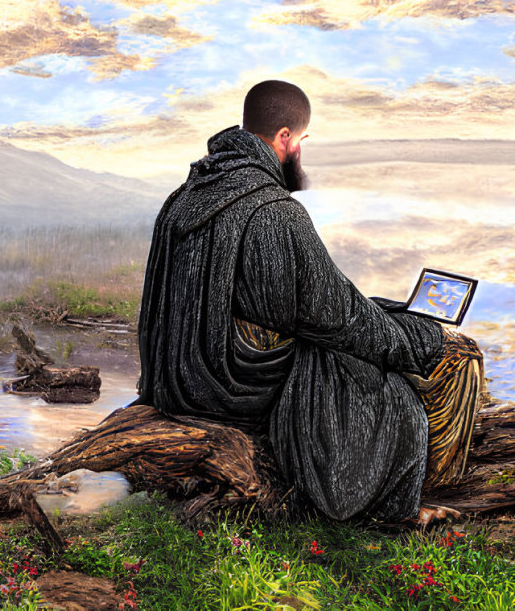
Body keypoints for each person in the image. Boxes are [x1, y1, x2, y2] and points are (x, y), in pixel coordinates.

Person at [134, 80, 483, 524]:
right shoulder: (275, 211)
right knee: (391, 394)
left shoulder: (184, 197)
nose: (299, 151)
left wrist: (382, 312)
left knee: (369, 333)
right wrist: (419, 340)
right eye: (300, 141)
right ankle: (386, 512)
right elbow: (337, 319)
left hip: (178, 379)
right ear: (284, 138)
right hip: (229, 388)